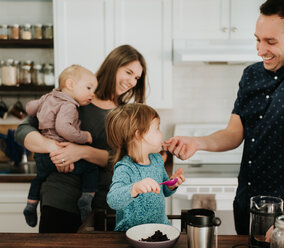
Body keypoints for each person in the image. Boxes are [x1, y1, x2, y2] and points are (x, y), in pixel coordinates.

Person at [163, 0, 284, 235]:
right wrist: (197, 143)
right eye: (257, 39)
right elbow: (233, 133)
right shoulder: (251, 74)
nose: (260, 50)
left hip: (283, 209)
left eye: (270, 42)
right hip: (246, 201)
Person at [15, 44, 147, 233]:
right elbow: (23, 130)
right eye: (128, 72)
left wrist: (81, 152)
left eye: (136, 78)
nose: (132, 82)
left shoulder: (128, 114)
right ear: (113, 65)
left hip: (105, 205)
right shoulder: (74, 96)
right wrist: (54, 147)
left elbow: (127, 160)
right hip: (60, 198)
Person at [23, 65, 98, 227]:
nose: (92, 93)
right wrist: (84, 137)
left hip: (43, 155)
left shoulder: (47, 97)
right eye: (89, 87)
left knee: (39, 177)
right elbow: (63, 128)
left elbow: (29, 108)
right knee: (91, 168)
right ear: (70, 84)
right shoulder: (69, 105)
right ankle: (86, 198)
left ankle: (30, 204)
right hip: (62, 151)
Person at [106, 103, 185, 232]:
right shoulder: (125, 168)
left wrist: (171, 184)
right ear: (139, 135)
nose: (161, 133)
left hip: (159, 230)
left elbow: (164, 190)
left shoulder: (157, 159)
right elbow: (113, 200)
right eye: (157, 128)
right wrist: (134, 188)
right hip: (130, 234)